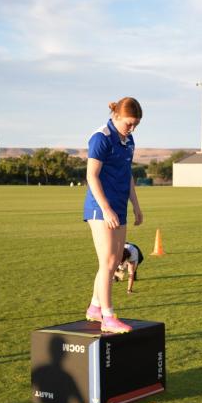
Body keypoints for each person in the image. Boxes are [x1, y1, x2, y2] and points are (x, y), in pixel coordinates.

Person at [83, 97, 143, 333]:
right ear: (116, 116)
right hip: (100, 208)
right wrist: (106, 209)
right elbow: (91, 176)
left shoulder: (128, 140)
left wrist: (136, 206)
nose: (133, 128)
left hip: (119, 207)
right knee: (108, 262)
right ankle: (108, 316)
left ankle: (95, 307)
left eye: (136, 124)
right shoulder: (101, 138)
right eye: (129, 123)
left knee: (114, 260)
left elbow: (127, 175)